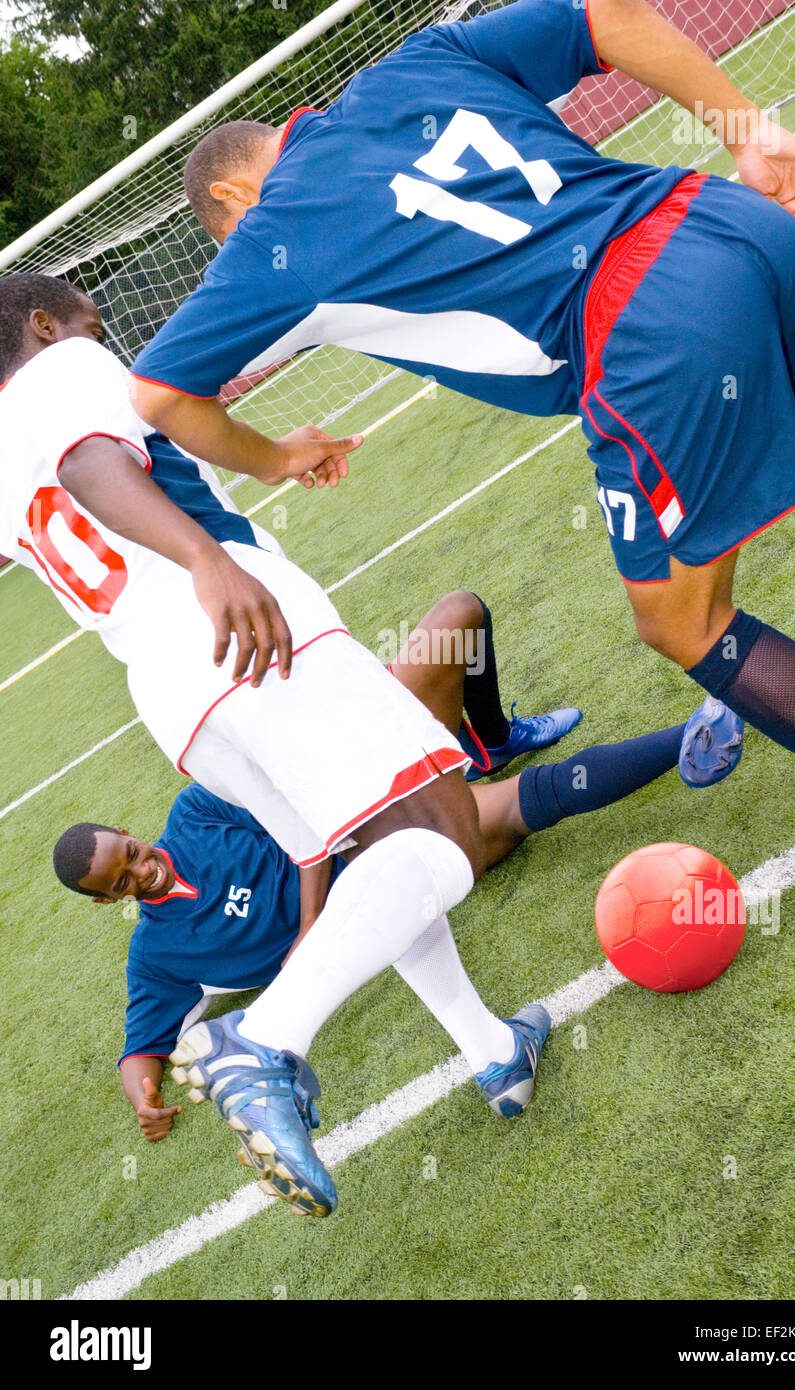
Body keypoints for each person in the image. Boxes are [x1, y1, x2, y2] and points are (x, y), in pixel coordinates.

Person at [129, 0, 795, 847]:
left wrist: (271, 460)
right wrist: (747, 130)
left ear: (232, 194)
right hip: (719, 217)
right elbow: (608, 14)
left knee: (680, 620)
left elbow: (159, 396)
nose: (237, 248)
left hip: (641, 327)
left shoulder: (268, 238)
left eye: (228, 232)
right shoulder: (414, 61)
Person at [0, 275, 568, 1218]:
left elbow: (122, 460)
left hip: (170, 690)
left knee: (367, 852)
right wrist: (209, 560)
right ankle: (264, 1043)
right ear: (44, 323)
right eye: (92, 321)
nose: (105, 336)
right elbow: (95, 465)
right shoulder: (63, 366)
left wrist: (267, 460)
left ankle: (491, 1050)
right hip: (240, 630)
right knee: (441, 838)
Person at [52, 587, 742, 1140]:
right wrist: (141, 1093)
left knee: (457, 617)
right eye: (122, 882)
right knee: (520, 805)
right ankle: (702, 730)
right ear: (107, 901)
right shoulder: (160, 954)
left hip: (361, 786)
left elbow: (296, 818)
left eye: (132, 854)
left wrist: (305, 927)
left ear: (128, 832)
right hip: (403, 865)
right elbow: (139, 1045)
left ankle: (492, 738)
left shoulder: (193, 813)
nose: (140, 872)